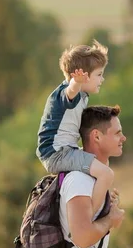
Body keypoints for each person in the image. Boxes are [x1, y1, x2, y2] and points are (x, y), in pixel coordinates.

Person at [44, 105, 127, 248]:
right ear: (97, 136)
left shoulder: (91, 179)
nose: (124, 138)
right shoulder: (80, 180)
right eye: (117, 132)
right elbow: (81, 237)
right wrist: (111, 220)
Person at [36, 40, 115, 219]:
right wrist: (75, 83)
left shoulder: (83, 95)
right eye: (99, 74)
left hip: (65, 151)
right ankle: (90, 216)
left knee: (103, 161)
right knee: (106, 174)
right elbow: (69, 94)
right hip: (57, 154)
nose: (102, 79)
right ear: (82, 76)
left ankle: (96, 198)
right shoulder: (68, 92)